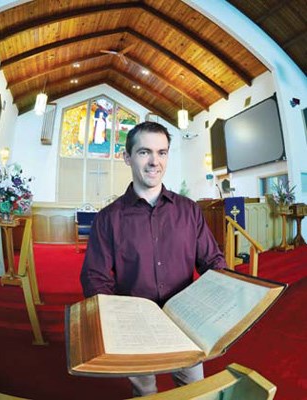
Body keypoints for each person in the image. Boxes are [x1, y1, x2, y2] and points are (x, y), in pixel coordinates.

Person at [80, 121, 227, 397]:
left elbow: (212, 262)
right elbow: (94, 277)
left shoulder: (189, 211)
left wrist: (224, 295)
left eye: (162, 152)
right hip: (135, 324)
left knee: (194, 390)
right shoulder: (108, 218)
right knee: (145, 391)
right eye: (144, 152)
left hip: (185, 322)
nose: (154, 161)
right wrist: (116, 319)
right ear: (127, 157)